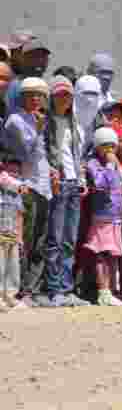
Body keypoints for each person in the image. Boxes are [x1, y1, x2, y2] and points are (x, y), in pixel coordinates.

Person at [0, 77, 51, 306]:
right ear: (22, 97)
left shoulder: (36, 118)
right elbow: (24, 153)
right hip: (25, 186)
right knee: (23, 242)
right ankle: (17, 292)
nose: (36, 98)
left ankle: (31, 289)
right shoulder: (15, 120)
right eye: (31, 94)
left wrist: (52, 172)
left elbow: (41, 154)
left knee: (39, 240)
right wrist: (38, 129)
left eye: (40, 95)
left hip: (43, 186)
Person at [42, 76, 90, 306]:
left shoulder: (75, 123)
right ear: (52, 97)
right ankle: (53, 289)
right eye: (60, 95)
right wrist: (52, 173)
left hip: (73, 183)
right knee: (55, 238)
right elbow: (44, 153)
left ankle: (67, 287)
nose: (64, 99)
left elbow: (77, 155)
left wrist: (81, 178)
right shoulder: (46, 122)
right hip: (57, 183)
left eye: (68, 95)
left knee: (70, 239)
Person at [83, 127, 122, 306]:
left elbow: (121, 184)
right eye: (105, 146)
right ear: (97, 147)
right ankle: (102, 291)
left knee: (113, 254)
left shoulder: (114, 162)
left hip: (115, 216)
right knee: (101, 253)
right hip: (102, 216)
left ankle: (111, 289)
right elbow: (101, 183)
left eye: (112, 146)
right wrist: (110, 165)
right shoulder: (93, 163)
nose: (109, 150)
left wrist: (116, 167)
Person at [0, 160, 26, 310]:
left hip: (13, 235)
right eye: (11, 172)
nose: (14, 176)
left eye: (17, 173)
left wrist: (20, 237)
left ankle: (10, 296)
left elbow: (19, 215)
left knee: (13, 267)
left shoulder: (17, 196)